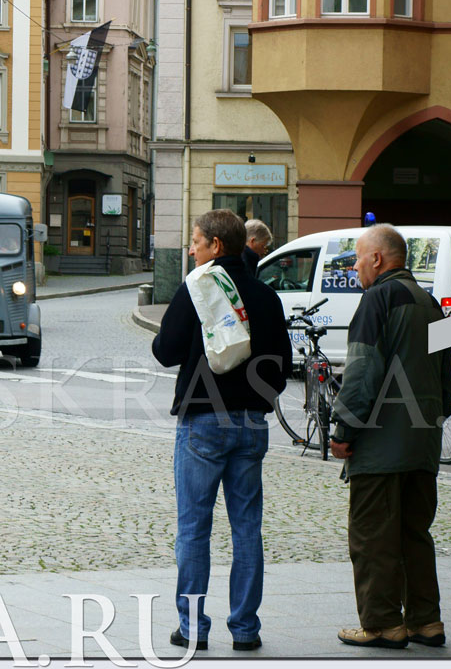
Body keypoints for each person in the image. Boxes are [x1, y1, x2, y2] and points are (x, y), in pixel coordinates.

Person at [152, 209, 293, 652]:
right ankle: (246, 629)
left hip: (203, 422)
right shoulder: (266, 296)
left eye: (195, 242)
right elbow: (283, 369)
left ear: (215, 245)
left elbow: (164, 351)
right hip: (252, 424)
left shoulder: (198, 289)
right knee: (247, 528)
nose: (191, 249)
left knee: (194, 527)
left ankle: (192, 628)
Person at [328, 224, 451, 650]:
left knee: (373, 537)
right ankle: (426, 621)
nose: (356, 267)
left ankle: (383, 623)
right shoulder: (430, 303)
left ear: (378, 259)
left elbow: (362, 371)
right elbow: (447, 380)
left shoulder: (376, 299)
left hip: (382, 446)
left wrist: (344, 429)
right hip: (422, 445)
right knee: (414, 536)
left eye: (359, 259)